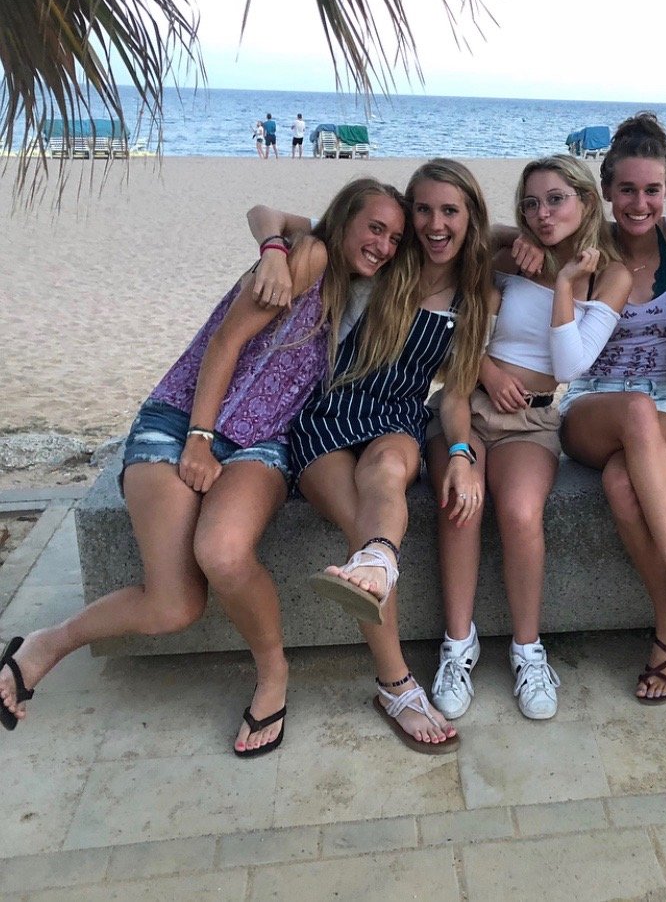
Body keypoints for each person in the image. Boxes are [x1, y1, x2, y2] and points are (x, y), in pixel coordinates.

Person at [0, 178, 408, 756]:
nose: (385, 245)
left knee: (222, 552)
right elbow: (226, 343)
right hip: (179, 419)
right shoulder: (309, 256)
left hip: (263, 441)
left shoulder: (360, 284)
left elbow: (460, 238)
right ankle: (45, 645)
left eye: (395, 237)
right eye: (375, 228)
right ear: (343, 223)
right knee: (174, 605)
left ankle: (273, 676)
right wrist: (199, 437)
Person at [246, 159, 491, 753]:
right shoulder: (382, 258)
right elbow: (264, 213)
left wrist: (461, 453)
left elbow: (455, 393)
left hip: (396, 419)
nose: (434, 225)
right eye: (424, 211)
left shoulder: (475, 296)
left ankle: (378, 564)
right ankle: (394, 682)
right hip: (328, 416)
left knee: (385, 472)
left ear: (471, 219)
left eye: (450, 212)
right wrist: (275, 250)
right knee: (360, 516)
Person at [510, 113, 666, 703]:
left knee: (625, 485)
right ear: (606, 190)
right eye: (626, 190)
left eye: (652, 190)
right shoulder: (582, 244)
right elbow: (494, 241)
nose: (639, 203)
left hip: (664, 401)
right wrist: (517, 240)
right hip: (593, 403)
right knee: (635, 417)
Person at [426, 155, 631, 721]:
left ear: (587, 202)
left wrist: (564, 281)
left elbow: (569, 361)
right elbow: (462, 234)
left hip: (534, 420)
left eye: (556, 199)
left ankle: (527, 650)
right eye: (531, 203)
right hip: (466, 404)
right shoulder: (509, 254)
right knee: (461, 502)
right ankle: (457, 646)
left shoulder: (608, 274)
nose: (543, 214)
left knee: (519, 512)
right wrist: (489, 369)